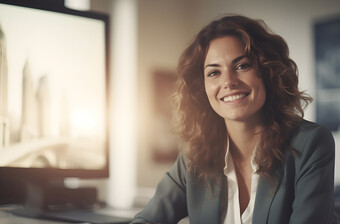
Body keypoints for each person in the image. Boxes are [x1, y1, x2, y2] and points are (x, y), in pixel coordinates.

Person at [131, 15, 337, 224]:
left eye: (242, 66)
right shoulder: (194, 155)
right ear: (201, 87)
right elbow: (147, 220)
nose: (228, 82)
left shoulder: (311, 143)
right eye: (213, 73)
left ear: (267, 71)